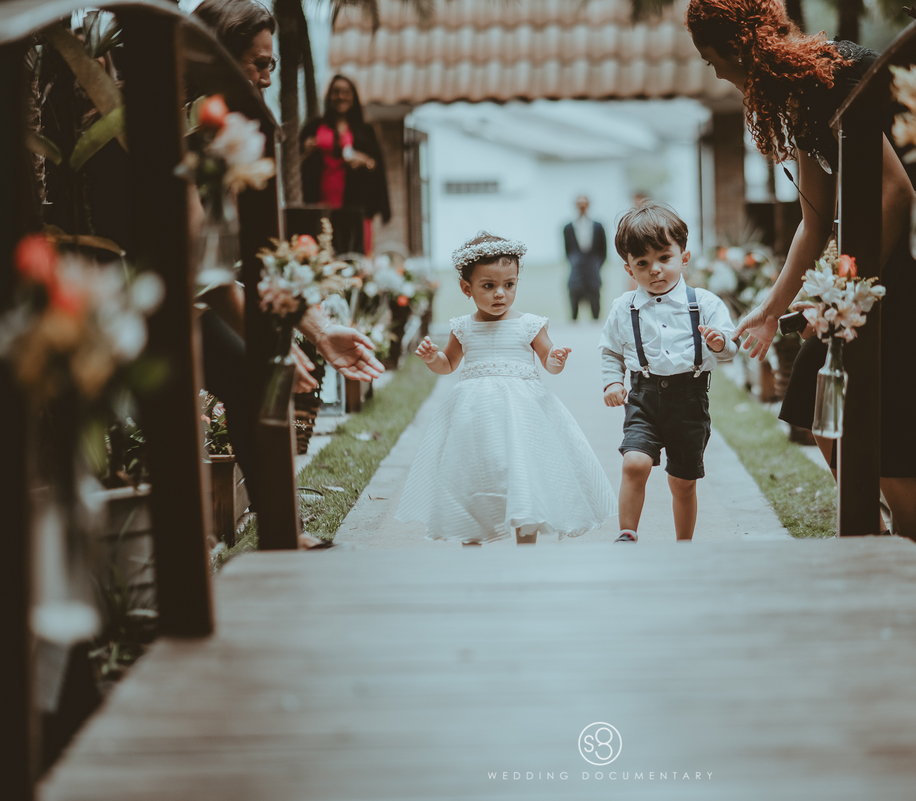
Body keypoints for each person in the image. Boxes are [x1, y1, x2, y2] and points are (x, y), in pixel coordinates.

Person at [686, 0, 916, 559]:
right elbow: (814, 217)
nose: (715, 73)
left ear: (737, 50)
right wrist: (770, 305)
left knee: (889, 445)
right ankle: (878, 552)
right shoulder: (796, 90)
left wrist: (847, 293)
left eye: (712, 60)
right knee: (816, 404)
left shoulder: (825, 79)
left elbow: (897, 192)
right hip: (875, 268)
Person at [192, 0, 385, 548]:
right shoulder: (187, 135)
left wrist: (319, 332)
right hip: (162, 302)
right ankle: (255, 533)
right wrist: (272, 343)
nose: (264, 76)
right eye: (255, 62)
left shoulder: (242, 138)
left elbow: (260, 261)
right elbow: (200, 276)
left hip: (207, 294)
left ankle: (281, 530)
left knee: (252, 380)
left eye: (271, 64)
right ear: (215, 58)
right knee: (251, 378)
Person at [393, 233, 616, 544]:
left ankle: (526, 543)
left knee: (525, 471)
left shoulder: (530, 324)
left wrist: (556, 358)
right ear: (466, 288)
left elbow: (548, 362)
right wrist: (433, 358)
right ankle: (472, 534)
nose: (500, 294)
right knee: (473, 471)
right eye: (489, 286)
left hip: (523, 413)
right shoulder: (463, 327)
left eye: (509, 285)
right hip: (474, 416)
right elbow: (449, 364)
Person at [599, 202, 738, 543]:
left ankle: (683, 543)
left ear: (684, 258)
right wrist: (613, 381)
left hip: (689, 400)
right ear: (630, 269)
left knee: (683, 481)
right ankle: (627, 534)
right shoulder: (623, 308)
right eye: (642, 263)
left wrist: (719, 344)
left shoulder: (704, 303)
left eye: (664, 258)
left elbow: (731, 350)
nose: (655, 270)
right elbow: (611, 350)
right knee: (634, 463)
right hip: (643, 397)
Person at [301, 75, 391, 255]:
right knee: (324, 256)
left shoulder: (365, 130)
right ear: (329, 96)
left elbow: (377, 166)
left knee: (356, 257)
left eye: (346, 92)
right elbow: (298, 161)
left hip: (356, 205)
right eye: (336, 92)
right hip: (321, 204)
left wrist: (364, 160)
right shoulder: (314, 127)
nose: (341, 96)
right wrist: (305, 149)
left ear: (353, 97)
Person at [563, 195, 607, 321]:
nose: (582, 208)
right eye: (579, 205)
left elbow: (603, 251)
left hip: (593, 271)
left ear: (588, 206)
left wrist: (596, 265)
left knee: (595, 303)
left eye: (584, 204)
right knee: (574, 302)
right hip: (576, 271)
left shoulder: (598, 226)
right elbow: (567, 251)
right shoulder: (568, 227)